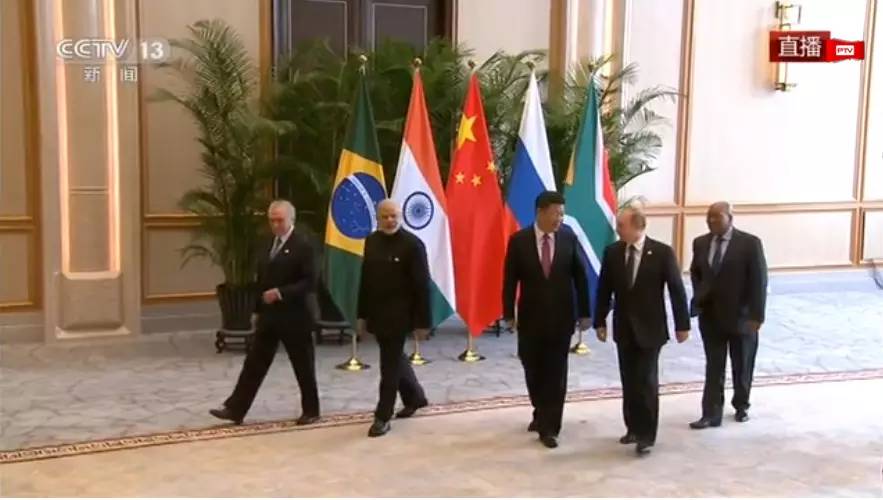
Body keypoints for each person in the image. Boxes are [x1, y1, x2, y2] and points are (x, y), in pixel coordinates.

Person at [210, 199, 320, 426]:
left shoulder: (304, 246)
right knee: (254, 363)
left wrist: (281, 293)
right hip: (269, 316)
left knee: (303, 365)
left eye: (279, 220)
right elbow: (261, 279)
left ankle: (311, 410)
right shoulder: (267, 243)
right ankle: (235, 408)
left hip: (295, 316)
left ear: (291, 219)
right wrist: (256, 310)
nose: (275, 225)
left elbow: (310, 282)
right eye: (272, 221)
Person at [594, 205, 690, 455]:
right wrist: (600, 320)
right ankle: (633, 428)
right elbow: (604, 289)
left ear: (638, 226)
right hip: (624, 328)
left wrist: (682, 325)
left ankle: (647, 434)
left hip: (651, 328)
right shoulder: (613, 252)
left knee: (646, 380)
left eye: (622, 225)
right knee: (629, 380)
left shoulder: (662, 252)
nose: (618, 229)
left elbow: (677, 290)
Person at [503, 191, 591, 449]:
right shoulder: (519, 241)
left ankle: (551, 427)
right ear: (540, 212)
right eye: (556, 213)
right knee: (532, 368)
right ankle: (540, 409)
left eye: (562, 214)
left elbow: (581, 277)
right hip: (530, 318)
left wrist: (585, 312)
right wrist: (508, 313)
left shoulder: (568, 238)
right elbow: (510, 280)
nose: (560, 218)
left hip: (561, 318)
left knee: (556, 373)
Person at [689, 201, 768, 429]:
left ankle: (741, 405)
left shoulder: (749, 243)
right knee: (714, 366)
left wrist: (756, 315)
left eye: (716, 216)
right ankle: (711, 413)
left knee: (742, 364)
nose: (711, 221)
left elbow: (759, 280)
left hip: (741, 317)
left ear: (730, 218)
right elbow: (696, 273)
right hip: (711, 315)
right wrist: (700, 297)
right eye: (708, 217)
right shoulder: (700, 243)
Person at [357, 199, 431, 438]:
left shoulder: (413, 245)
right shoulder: (371, 241)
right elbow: (366, 281)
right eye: (385, 216)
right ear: (378, 218)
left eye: (394, 216)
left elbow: (422, 286)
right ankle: (415, 397)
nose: (390, 221)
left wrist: (423, 322)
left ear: (401, 216)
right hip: (377, 314)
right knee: (394, 358)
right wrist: (361, 315)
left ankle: (382, 416)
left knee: (388, 366)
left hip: (400, 315)